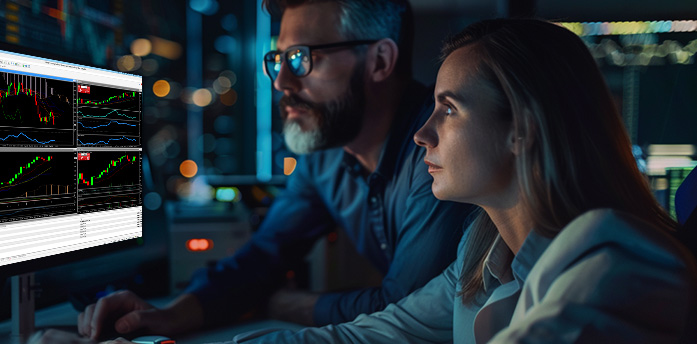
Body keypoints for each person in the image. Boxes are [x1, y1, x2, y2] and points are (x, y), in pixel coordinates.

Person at [230, 18, 697, 343]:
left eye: (449, 110)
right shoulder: (483, 251)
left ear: (522, 129)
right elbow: (375, 334)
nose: (421, 134)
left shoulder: (617, 257)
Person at [49, 0, 476, 342]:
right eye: (278, 59)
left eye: (302, 58)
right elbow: (265, 255)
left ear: (380, 61)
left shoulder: (438, 148)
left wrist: (285, 304)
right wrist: (170, 315)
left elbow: (404, 311)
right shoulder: (324, 154)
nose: (282, 82)